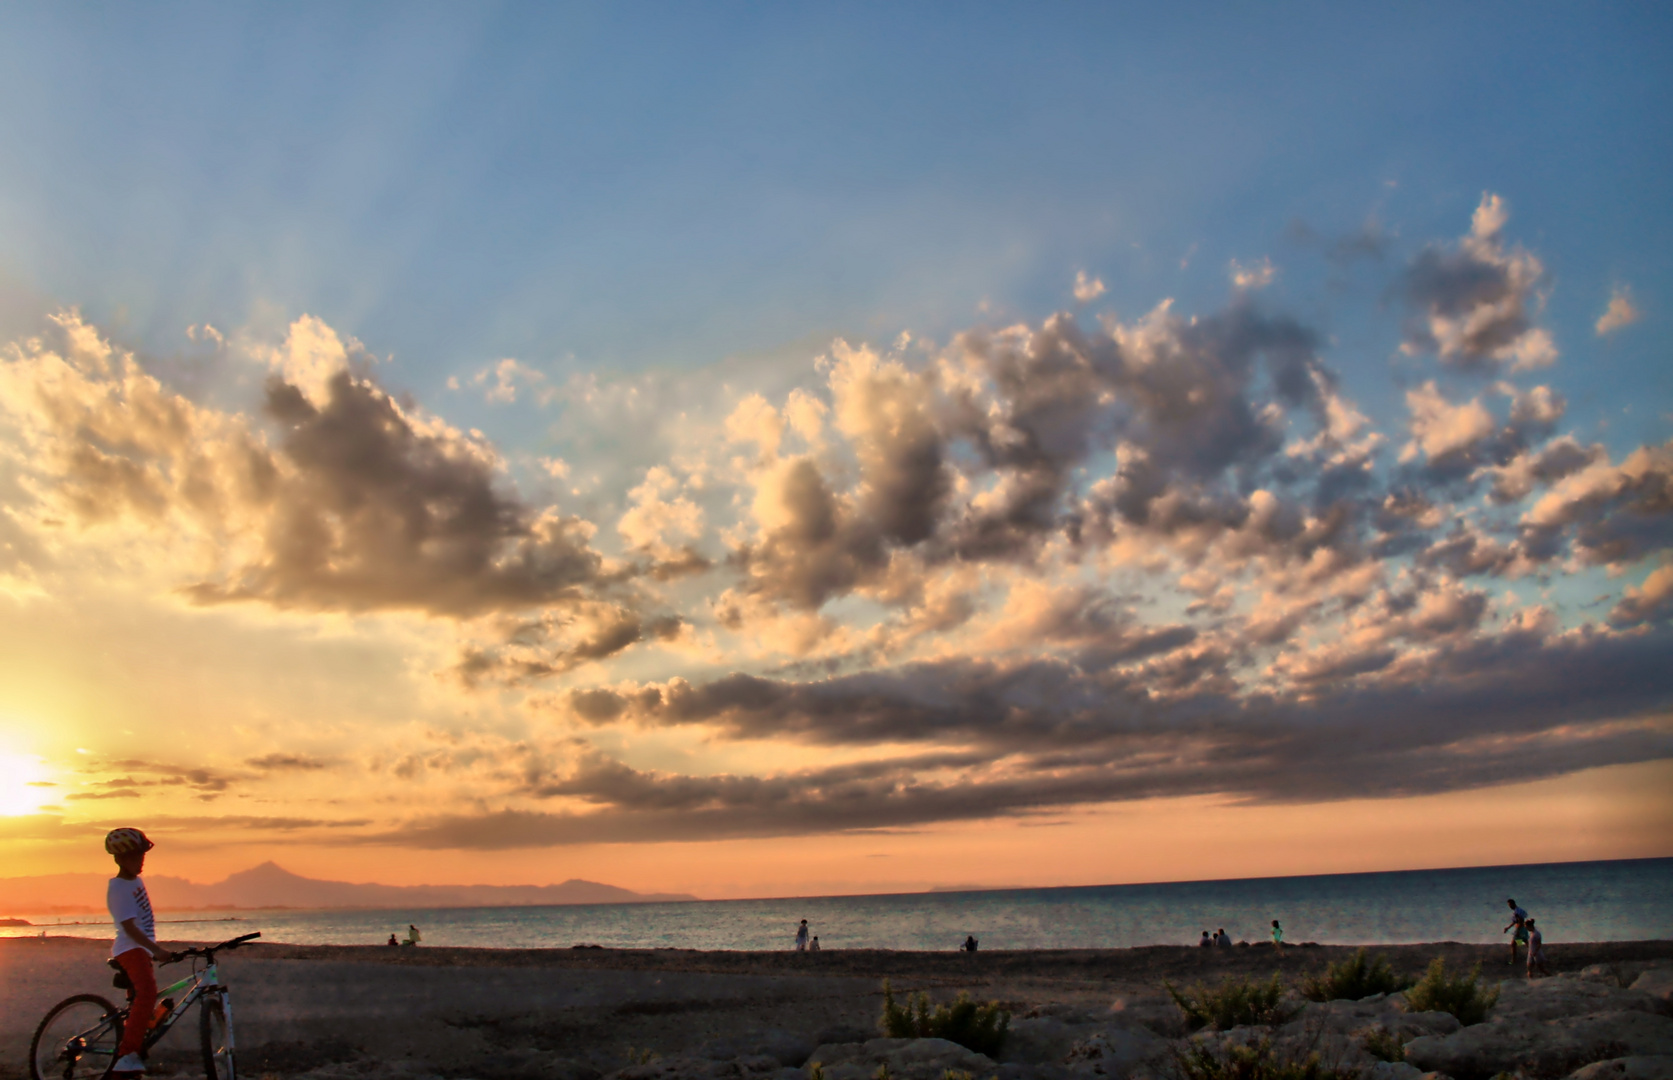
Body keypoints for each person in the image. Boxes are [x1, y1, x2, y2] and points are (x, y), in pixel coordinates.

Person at [105, 828, 178, 1078]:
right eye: (136, 856)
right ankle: (126, 1055)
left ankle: (132, 1055)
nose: (141, 860)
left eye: (142, 855)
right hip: (131, 949)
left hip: (141, 950)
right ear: (120, 859)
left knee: (141, 1002)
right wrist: (155, 949)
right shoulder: (118, 888)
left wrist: (153, 950)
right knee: (147, 993)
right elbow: (129, 927)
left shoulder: (135, 881)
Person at [1504, 899, 1529, 966]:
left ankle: (1514, 960)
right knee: (1524, 942)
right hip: (1522, 928)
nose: (1509, 907)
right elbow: (1515, 921)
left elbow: (1520, 921)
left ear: (1513, 904)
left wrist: (1518, 931)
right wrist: (1508, 928)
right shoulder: (1518, 910)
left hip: (1520, 928)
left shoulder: (1517, 912)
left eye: (1510, 905)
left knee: (1513, 944)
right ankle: (1532, 955)